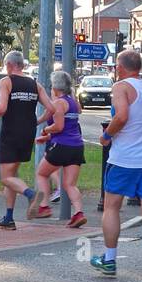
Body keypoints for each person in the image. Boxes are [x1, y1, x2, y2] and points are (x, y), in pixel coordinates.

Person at [89, 50, 142, 282]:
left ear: (121, 67)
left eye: (117, 66)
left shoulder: (121, 87)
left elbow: (122, 116)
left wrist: (106, 136)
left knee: (112, 208)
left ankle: (109, 259)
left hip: (124, 159)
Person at [0, 51, 54, 231]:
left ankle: (31, 194)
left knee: (5, 178)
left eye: (6, 65)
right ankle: (8, 218)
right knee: (13, 175)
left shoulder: (6, 81)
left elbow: (2, 108)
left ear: (10, 65)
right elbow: (51, 108)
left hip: (11, 133)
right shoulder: (35, 84)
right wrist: (37, 121)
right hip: (27, 133)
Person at [33, 71, 86, 228]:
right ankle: (78, 213)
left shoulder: (58, 103)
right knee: (69, 184)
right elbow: (68, 128)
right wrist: (47, 137)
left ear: (55, 87)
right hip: (77, 147)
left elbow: (59, 127)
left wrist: (46, 131)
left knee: (41, 174)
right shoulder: (74, 103)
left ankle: (44, 206)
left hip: (61, 146)